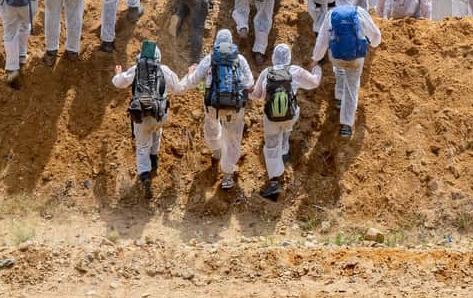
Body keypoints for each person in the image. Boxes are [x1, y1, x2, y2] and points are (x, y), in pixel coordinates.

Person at [249, 43, 322, 201]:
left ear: (274, 57)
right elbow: (314, 82)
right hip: (290, 115)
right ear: (288, 57)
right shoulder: (295, 71)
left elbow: (257, 95)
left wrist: (248, 92)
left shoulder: (266, 72)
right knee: (285, 130)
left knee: (271, 147)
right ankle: (284, 154)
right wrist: (317, 67)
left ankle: (274, 183)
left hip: (271, 118)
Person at [113, 41, 186, 198]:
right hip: (160, 116)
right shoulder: (164, 70)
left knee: (141, 146)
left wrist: (118, 73)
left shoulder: (136, 68)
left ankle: (145, 176)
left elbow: (118, 83)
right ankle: (154, 158)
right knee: (156, 131)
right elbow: (179, 88)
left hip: (140, 116)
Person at [183, 29, 255, 191]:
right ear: (231, 43)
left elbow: (193, 82)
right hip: (234, 108)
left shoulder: (209, 59)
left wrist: (190, 74)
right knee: (233, 139)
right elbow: (250, 84)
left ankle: (216, 151)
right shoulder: (240, 59)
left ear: (216, 42)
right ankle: (228, 176)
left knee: (211, 127)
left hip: (213, 106)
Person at [312, 0, 382, 138]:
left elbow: (322, 40)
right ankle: (346, 124)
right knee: (353, 87)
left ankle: (338, 97)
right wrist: (373, 44)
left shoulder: (331, 14)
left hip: (336, 57)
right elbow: (376, 35)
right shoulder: (359, 12)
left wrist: (315, 58)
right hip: (355, 57)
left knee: (339, 70)